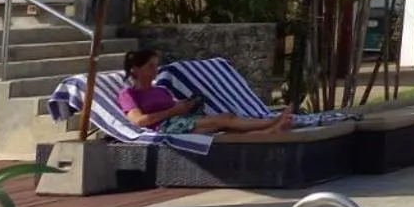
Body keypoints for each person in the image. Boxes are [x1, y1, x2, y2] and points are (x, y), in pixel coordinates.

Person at [116, 49, 293, 135]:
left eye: (156, 64)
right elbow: (139, 121)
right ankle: (271, 123)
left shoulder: (160, 89)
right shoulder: (128, 94)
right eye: (150, 66)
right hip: (165, 127)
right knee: (225, 119)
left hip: (180, 119)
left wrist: (188, 105)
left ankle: (269, 130)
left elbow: (175, 108)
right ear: (135, 70)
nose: (156, 69)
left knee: (223, 124)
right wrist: (173, 111)